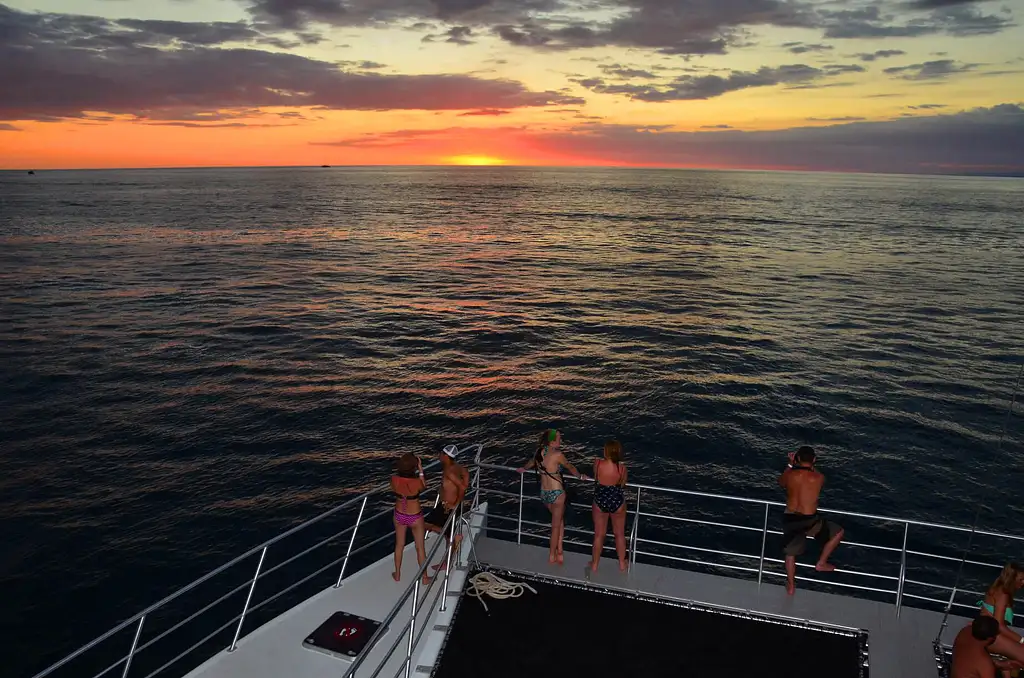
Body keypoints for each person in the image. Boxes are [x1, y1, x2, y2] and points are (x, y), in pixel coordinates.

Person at [777, 445, 844, 595]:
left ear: (797, 459)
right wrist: (810, 465)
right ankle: (821, 562)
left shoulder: (790, 475)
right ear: (814, 460)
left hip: (791, 517)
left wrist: (790, 464)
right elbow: (816, 475)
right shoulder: (819, 478)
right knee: (838, 532)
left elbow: (781, 482)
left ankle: (791, 586)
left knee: (790, 553)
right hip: (810, 520)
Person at [517, 429, 587, 565]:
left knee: (559, 521)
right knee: (555, 526)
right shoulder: (558, 454)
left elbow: (531, 463)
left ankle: (560, 551)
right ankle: (552, 555)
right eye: (558, 439)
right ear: (552, 441)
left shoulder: (539, 452)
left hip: (544, 494)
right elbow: (570, 467)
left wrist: (523, 469)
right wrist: (580, 476)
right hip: (557, 494)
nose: (560, 441)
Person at [424, 444, 470, 573]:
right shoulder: (458, 467)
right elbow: (466, 476)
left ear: (445, 456)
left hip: (448, 508)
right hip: (448, 506)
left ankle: (449, 558)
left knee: (423, 524)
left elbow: (462, 487)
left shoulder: (449, 471)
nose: (439, 456)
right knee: (442, 531)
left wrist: (455, 503)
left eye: (440, 454)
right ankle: (452, 538)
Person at [390, 453, 431, 584]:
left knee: (399, 545)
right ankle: (424, 577)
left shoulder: (394, 479)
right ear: (414, 467)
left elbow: (395, 488)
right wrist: (420, 469)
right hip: (415, 517)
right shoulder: (416, 482)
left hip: (399, 514)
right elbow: (424, 486)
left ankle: (397, 574)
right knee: (420, 547)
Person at [589, 439, 628, 574]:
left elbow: (596, 479)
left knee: (599, 534)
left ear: (606, 451)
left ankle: (594, 565)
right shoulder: (622, 468)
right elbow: (622, 485)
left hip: (600, 498)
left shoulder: (598, 463)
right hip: (617, 499)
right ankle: (622, 564)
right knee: (619, 534)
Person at [977, 563, 1024, 666]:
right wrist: (1021, 640)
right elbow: (998, 625)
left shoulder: (996, 589)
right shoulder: (1003, 595)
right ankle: (998, 664)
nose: (1023, 583)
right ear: (1011, 579)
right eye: (1021, 580)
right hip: (991, 637)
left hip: (988, 634)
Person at [951, 616, 1022, 678]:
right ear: (990, 638)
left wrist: (999, 664)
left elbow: (968, 662)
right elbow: (980, 664)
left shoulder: (965, 631)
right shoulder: (984, 662)